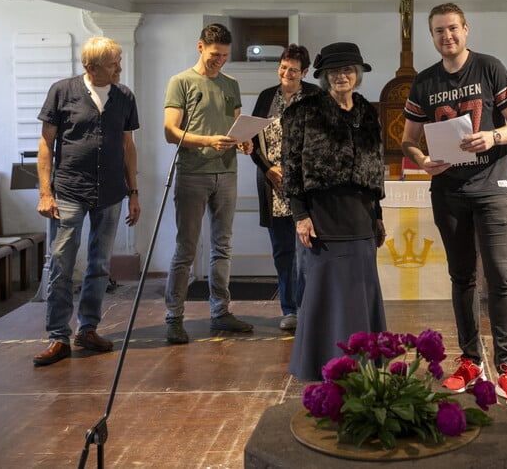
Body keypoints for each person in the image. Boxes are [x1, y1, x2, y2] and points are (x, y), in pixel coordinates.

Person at [401, 2, 507, 410]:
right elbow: (408, 140)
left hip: (492, 189)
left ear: (466, 29)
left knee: (500, 277)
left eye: (453, 28)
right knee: (461, 278)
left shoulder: (490, 68)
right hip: (449, 192)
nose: (447, 36)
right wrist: (423, 161)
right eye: (439, 31)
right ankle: (472, 361)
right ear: (433, 36)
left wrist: (492, 138)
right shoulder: (424, 82)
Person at [33, 37, 141, 366]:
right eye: (113, 64)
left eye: (119, 61)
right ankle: (58, 337)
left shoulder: (124, 97)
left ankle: (87, 329)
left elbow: (128, 146)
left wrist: (133, 192)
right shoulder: (62, 91)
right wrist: (45, 192)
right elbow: (46, 145)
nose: (119, 68)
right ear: (91, 67)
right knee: (61, 266)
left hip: (110, 193)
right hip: (68, 191)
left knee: (100, 266)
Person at [283, 42, 387, 381]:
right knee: (323, 293)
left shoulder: (368, 112)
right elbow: (291, 167)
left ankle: (363, 365)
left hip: (361, 216)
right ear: (324, 76)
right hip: (322, 217)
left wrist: (379, 215)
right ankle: (321, 363)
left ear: (357, 74)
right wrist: (300, 215)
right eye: (335, 71)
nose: (342, 76)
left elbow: (375, 166)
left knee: (360, 291)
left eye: (348, 70)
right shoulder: (304, 111)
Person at [163, 23, 254, 344]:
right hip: (192, 173)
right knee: (186, 249)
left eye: (226, 56)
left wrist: (245, 142)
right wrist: (207, 141)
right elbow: (170, 132)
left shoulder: (231, 84)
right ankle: (174, 316)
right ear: (200, 47)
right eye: (215, 55)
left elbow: (237, 123)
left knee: (222, 247)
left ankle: (220, 310)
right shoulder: (182, 82)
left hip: (227, 173)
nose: (220, 61)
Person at [249, 44, 320, 331]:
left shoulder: (316, 96)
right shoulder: (267, 97)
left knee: (310, 250)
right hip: (274, 184)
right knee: (283, 252)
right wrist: (268, 169)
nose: (286, 73)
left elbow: (324, 139)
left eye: (293, 70)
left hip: (307, 186)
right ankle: (290, 309)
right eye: (282, 67)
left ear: (304, 72)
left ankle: (311, 308)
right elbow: (251, 139)